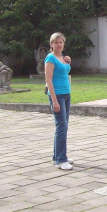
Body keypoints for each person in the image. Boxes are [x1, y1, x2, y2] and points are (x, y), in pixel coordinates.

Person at [44, 32, 73, 170]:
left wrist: (68, 62)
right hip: (58, 95)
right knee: (61, 127)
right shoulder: (50, 58)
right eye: (56, 42)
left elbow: (65, 72)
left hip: (66, 94)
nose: (59, 44)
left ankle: (58, 156)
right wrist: (54, 101)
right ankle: (61, 160)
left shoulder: (62, 57)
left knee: (63, 126)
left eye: (61, 42)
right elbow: (48, 80)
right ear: (51, 44)